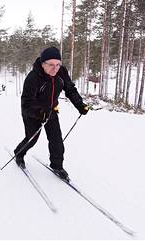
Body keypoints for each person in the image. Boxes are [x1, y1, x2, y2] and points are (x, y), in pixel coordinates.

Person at [14, 46, 89, 180]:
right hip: (32, 113)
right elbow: (26, 103)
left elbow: (70, 89)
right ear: (43, 64)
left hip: (51, 112)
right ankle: (19, 154)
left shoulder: (61, 73)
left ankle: (57, 166)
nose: (55, 68)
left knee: (57, 141)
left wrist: (80, 105)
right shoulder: (33, 77)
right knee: (32, 139)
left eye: (58, 64)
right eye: (51, 65)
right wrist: (39, 113)